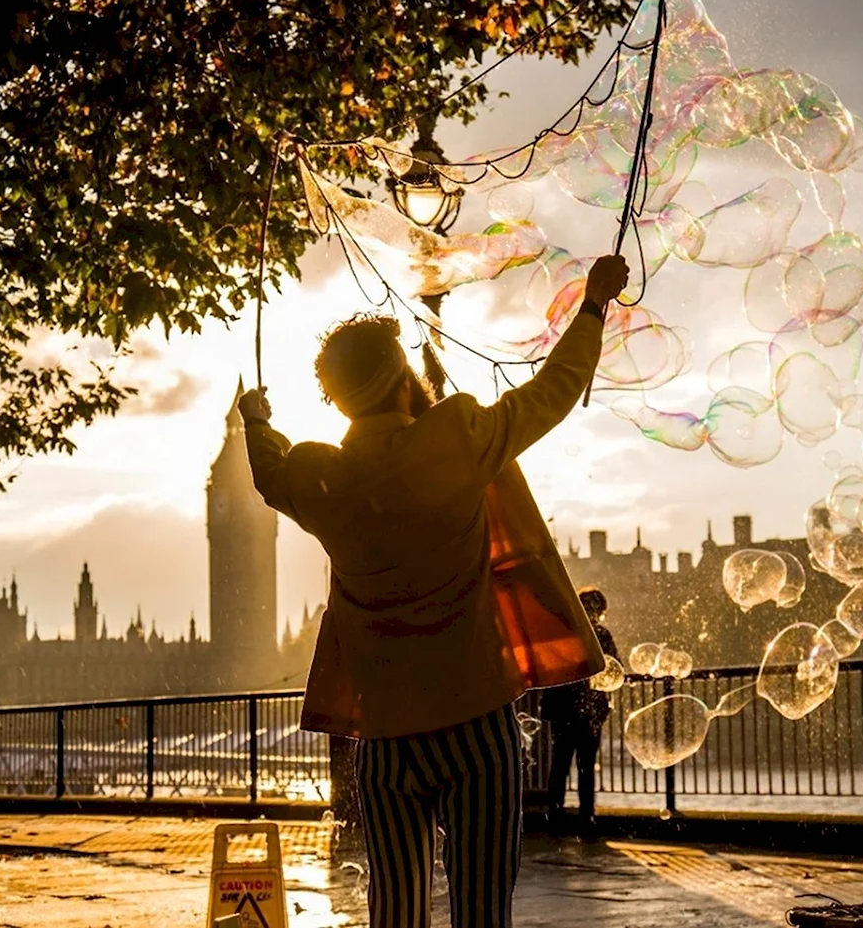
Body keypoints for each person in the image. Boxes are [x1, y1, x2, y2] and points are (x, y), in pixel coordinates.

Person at [237, 253, 629, 928]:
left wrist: (255, 422)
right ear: (402, 377)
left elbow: (271, 475)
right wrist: (593, 304)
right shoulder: (455, 437)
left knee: (397, 911)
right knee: (481, 912)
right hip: (477, 724)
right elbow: (553, 391)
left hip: (387, 738)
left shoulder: (320, 476)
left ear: (335, 396)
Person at [540, 586, 620, 836]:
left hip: (564, 709)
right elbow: (615, 668)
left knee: (560, 765)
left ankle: (555, 817)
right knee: (585, 767)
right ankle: (586, 819)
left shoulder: (563, 632)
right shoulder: (601, 635)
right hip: (590, 712)